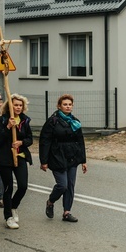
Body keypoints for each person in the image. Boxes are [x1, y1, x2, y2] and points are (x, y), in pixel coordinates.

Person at [39, 94, 87, 222]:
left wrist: (83, 160)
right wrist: (43, 161)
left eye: (70, 104)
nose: (68, 106)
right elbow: (45, 141)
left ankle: (67, 212)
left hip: (72, 156)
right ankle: (50, 201)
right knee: (62, 185)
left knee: (70, 185)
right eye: (65, 104)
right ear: (59, 106)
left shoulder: (75, 122)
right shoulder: (52, 121)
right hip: (57, 156)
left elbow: (80, 141)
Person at [0, 93, 33, 229]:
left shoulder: (25, 120)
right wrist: (8, 128)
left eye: (20, 105)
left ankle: (14, 206)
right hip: (5, 158)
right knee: (8, 187)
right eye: (15, 105)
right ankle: (8, 216)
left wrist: (21, 142)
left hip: (19, 156)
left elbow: (30, 139)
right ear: (10, 106)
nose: (18, 107)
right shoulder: (3, 120)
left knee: (23, 186)